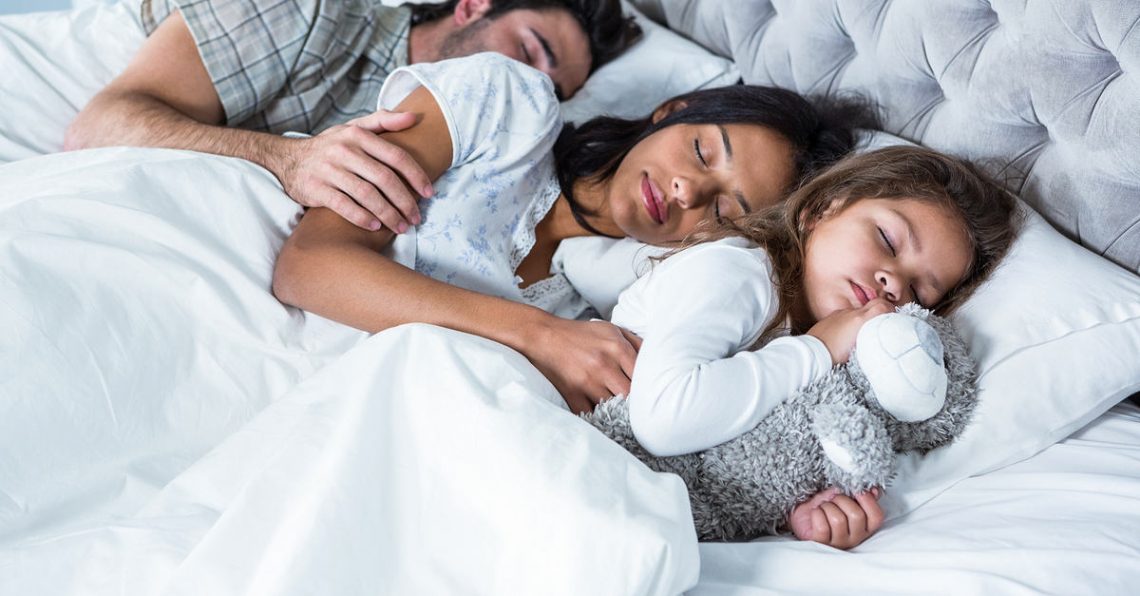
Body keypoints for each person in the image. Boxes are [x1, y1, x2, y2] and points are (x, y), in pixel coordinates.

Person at [270, 51, 878, 411]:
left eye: (721, 211)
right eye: (699, 149)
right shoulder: (507, 105)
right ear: (671, 112)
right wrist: (539, 335)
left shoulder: (609, 308)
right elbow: (309, 265)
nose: (687, 191)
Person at [609, 145, 1019, 548]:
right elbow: (665, 419)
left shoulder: (827, 353)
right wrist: (817, 347)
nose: (893, 281)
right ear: (820, 210)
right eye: (888, 242)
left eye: (916, 290)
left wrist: (793, 506)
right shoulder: (741, 273)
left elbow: (727, 449)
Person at [63, 0, 640, 233]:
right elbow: (98, 127)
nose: (528, 87)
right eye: (529, 52)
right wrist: (287, 160)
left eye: (550, 89)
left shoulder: (475, 146)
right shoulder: (310, 13)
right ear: (472, 6)